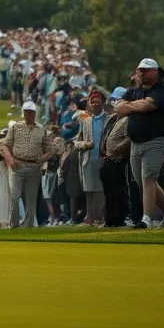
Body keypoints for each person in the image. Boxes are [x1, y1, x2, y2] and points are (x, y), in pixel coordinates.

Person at [114, 58, 164, 229]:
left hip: (155, 141)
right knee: (143, 181)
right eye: (140, 70)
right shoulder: (135, 91)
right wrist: (133, 105)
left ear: (155, 72)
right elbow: (118, 107)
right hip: (136, 142)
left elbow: (146, 106)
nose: (141, 73)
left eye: (146, 71)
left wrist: (130, 106)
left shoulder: (161, 91)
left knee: (148, 177)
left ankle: (147, 218)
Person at [0, 101, 62, 228]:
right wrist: (9, 159)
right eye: (26, 112)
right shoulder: (15, 127)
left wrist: (42, 158)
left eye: (31, 113)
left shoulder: (41, 130)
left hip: (34, 168)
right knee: (15, 197)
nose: (29, 115)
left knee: (31, 200)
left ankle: (28, 225)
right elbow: (5, 145)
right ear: (23, 113)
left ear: (34, 114)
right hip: (18, 165)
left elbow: (50, 149)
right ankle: (14, 225)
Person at [73, 87, 108, 226]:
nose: (95, 103)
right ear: (89, 104)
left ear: (103, 102)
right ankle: (90, 219)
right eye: (92, 101)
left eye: (97, 101)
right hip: (88, 158)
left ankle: (100, 218)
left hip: (103, 159)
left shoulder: (109, 119)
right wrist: (84, 145)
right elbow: (77, 141)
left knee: (100, 191)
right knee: (89, 190)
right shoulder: (86, 121)